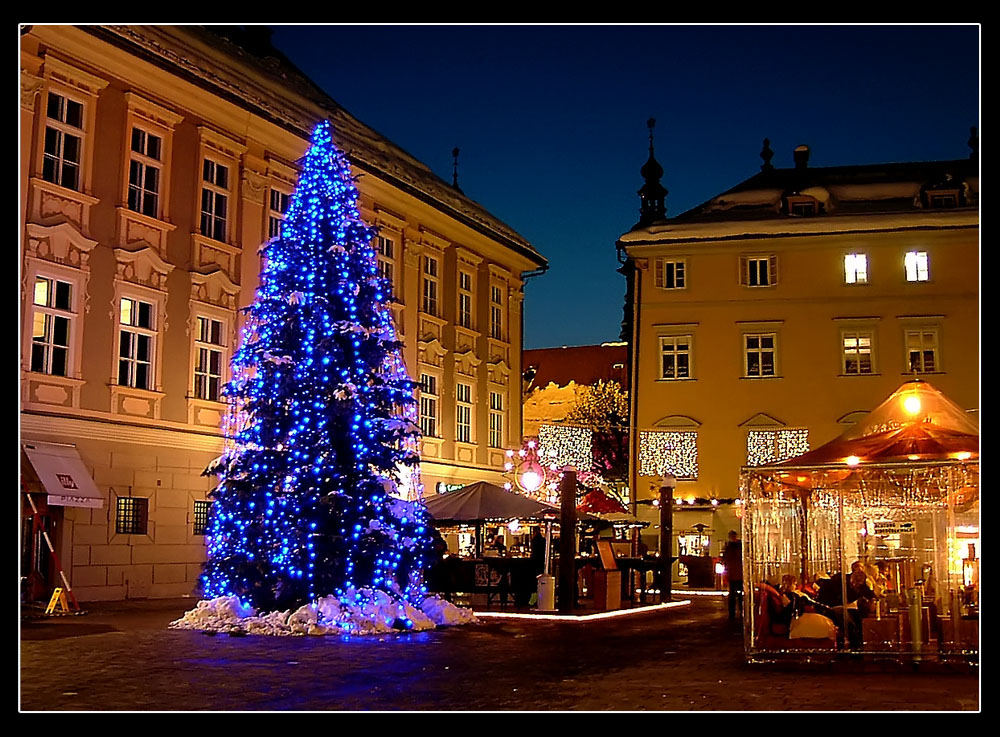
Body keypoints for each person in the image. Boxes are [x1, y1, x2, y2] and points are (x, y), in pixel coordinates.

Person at [722, 530, 743, 620]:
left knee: (734, 595)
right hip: (737, 574)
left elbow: (725, 559)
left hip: (734, 574)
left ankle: (734, 613)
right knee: (737, 595)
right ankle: (739, 612)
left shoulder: (730, 547)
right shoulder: (737, 546)